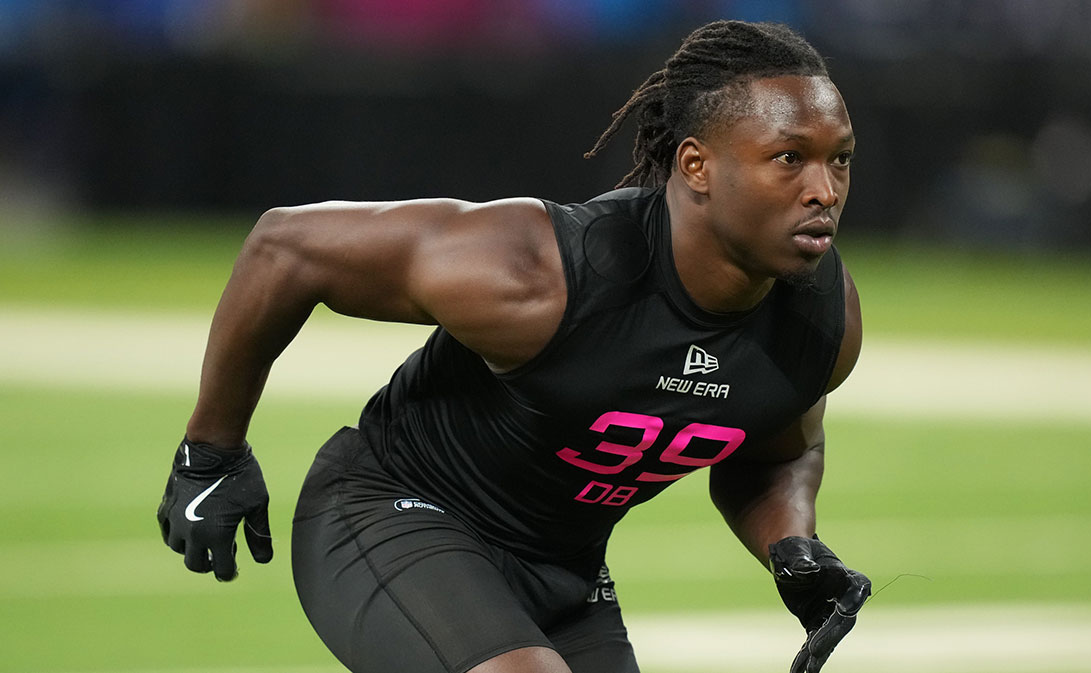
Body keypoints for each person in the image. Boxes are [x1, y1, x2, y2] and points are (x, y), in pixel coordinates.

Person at [157, 19, 871, 673]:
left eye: (839, 161)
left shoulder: (821, 319)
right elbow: (287, 246)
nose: (823, 189)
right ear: (695, 166)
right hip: (394, 508)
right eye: (789, 158)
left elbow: (777, 448)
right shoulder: (544, 273)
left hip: (564, 567)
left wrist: (791, 543)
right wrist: (211, 449)